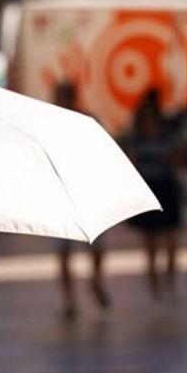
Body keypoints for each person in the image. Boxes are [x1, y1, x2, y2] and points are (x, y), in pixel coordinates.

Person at [53, 82, 110, 319]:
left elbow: (103, 153)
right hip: (62, 196)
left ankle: (95, 281)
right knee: (63, 253)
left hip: (87, 194)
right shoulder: (50, 124)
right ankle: (69, 300)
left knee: (96, 248)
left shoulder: (87, 121)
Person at [126, 92, 184, 300]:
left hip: (166, 189)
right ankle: (156, 290)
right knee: (150, 245)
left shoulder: (167, 136)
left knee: (170, 241)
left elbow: (179, 160)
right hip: (149, 189)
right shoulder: (137, 139)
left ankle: (169, 284)